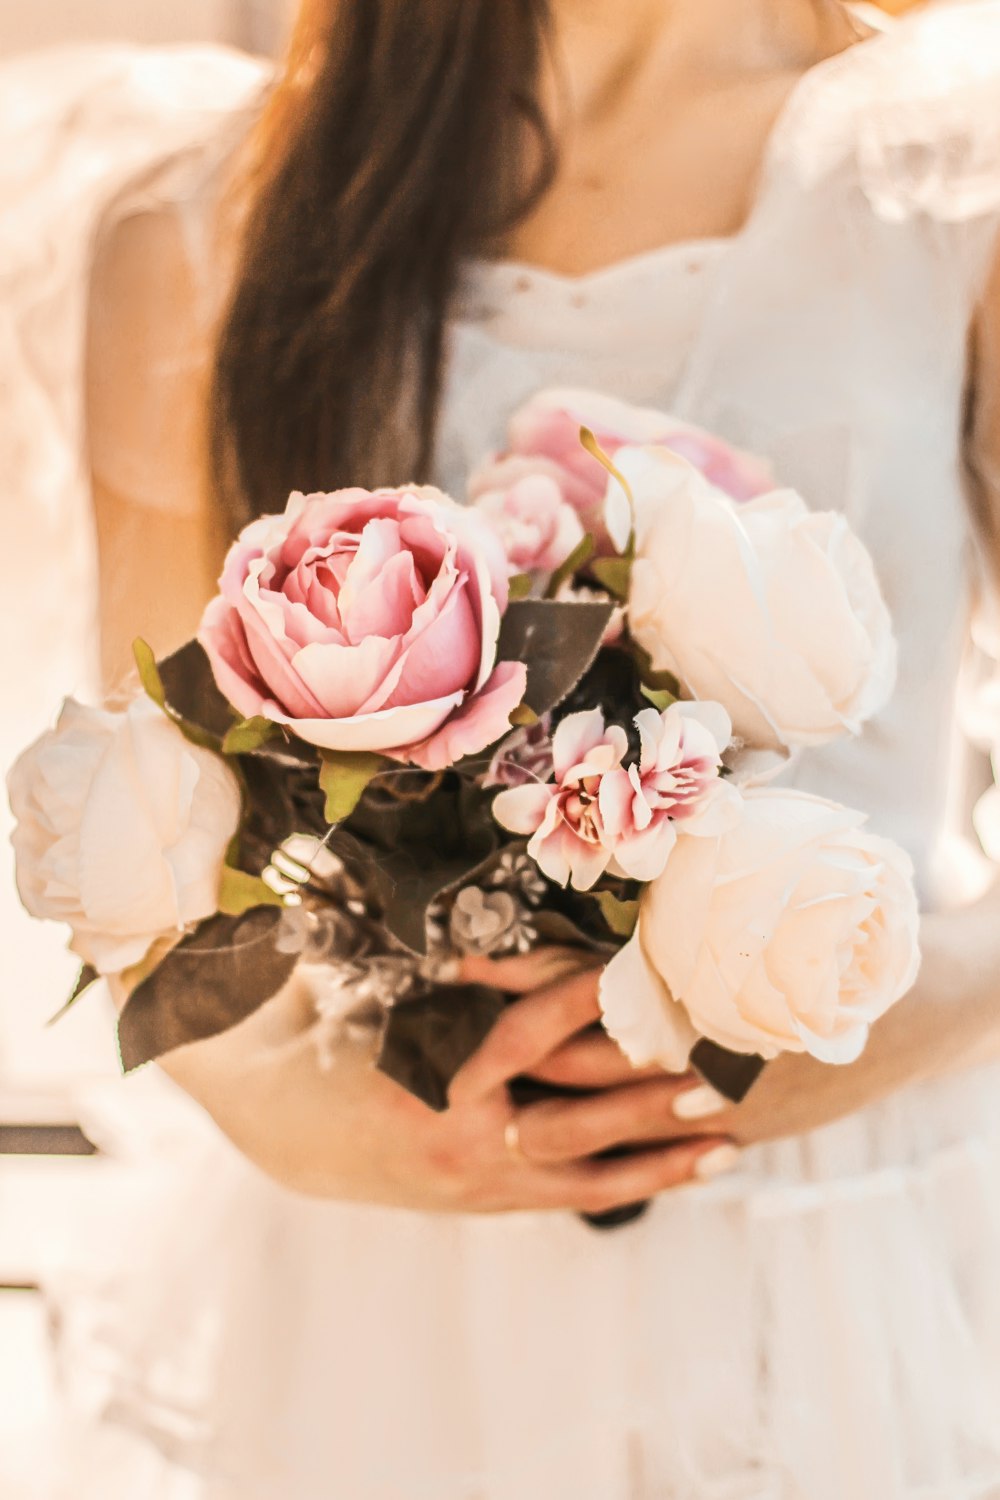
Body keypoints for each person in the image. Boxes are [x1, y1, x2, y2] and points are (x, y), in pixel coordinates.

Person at [23, 1, 1000, 1495]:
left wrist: (896, 1007)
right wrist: (299, 1119)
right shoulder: (207, 212)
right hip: (388, 1283)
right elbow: (140, 822)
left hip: (856, 1243)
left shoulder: (954, 161)